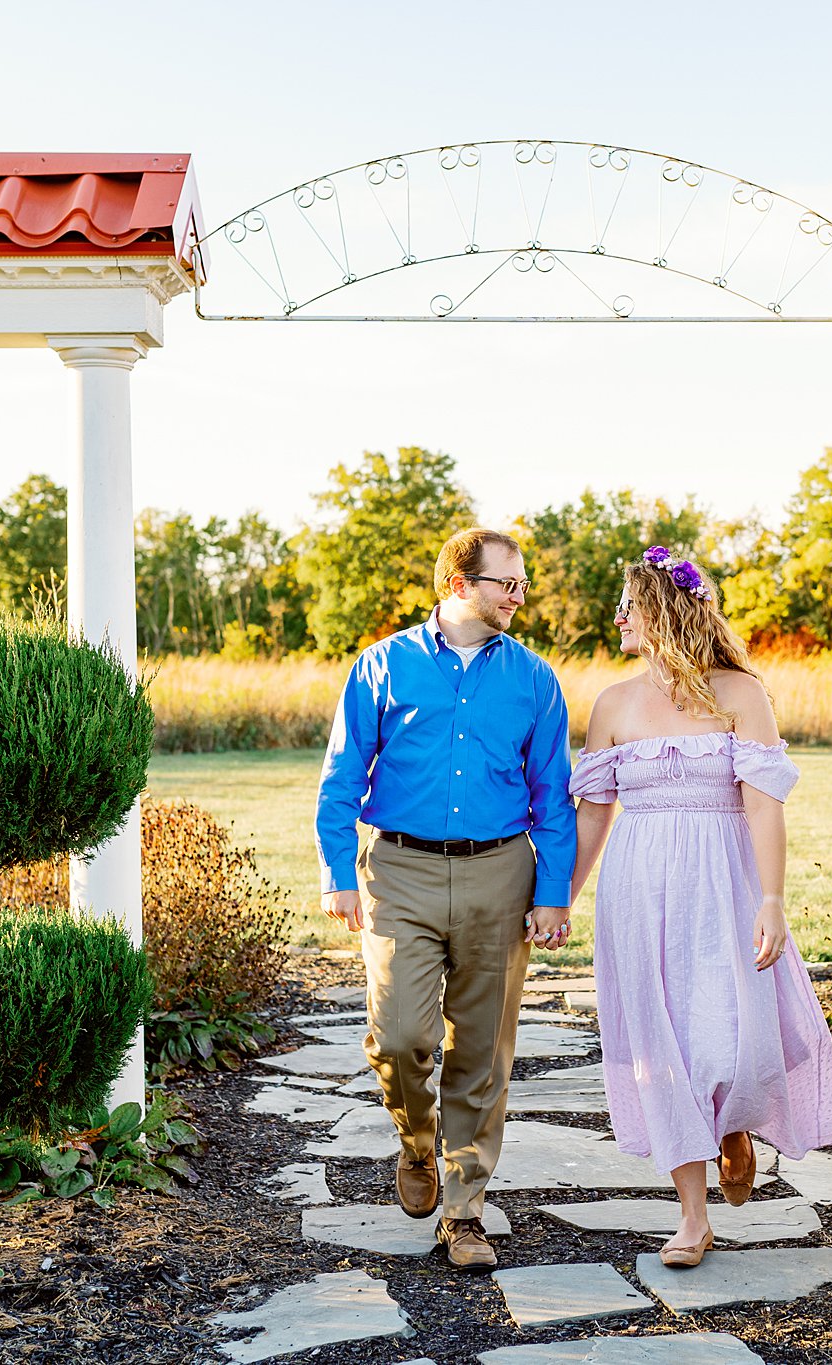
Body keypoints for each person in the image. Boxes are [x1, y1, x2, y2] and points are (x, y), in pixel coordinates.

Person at [567, 547, 832, 1267]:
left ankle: (734, 1124)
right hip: (641, 890)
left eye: (629, 603)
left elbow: (763, 804)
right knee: (660, 1049)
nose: (619, 616)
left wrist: (774, 898)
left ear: (662, 610)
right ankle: (692, 1215)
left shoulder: (740, 694)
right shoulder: (612, 703)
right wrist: (559, 898)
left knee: (729, 1037)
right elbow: (595, 816)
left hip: (723, 883)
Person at [315, 528, 577, 1269]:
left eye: (523, 584)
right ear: (461, 583)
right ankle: (417, 1139)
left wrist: (552, 892)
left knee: (483, 1049)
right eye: (508, 583)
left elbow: (552, 795)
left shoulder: (534, 679)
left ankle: (465, 1211)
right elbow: (340, 779)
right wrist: (338, 874)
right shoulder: (382, 665)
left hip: (501, 871)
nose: (519, 597)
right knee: (399, 1035)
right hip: (399, 870)